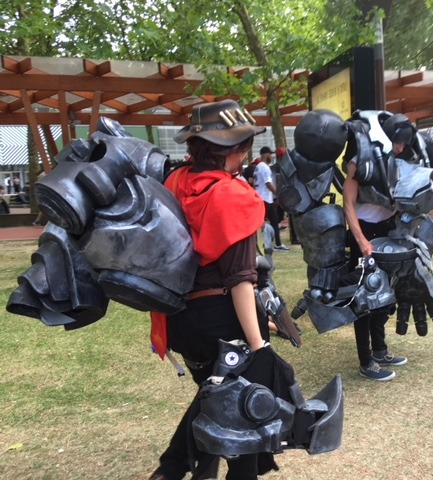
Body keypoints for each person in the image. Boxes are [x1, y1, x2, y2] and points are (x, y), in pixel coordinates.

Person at [149, 100, 274, 480]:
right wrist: (259, 346)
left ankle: (172, 470)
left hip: (179, 319)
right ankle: (175, 469)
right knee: (243, 417)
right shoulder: (235, 195)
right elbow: (239, 279)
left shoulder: (174, 182)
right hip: (223, 322)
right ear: (237, 148)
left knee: (211, 396)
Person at [342, 115, 411, 381]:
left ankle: (380, 350)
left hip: (387, 230)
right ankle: (366, 361)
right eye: (397, 142)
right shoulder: (360, 161)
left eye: (404, 143)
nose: (400, 148)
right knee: (364, 298)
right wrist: (360, 239)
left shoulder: (397, 162)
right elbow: (348, 203)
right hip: (365, 231)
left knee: (385, 295)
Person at [253, 146, 289, 251]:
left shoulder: (258, 166)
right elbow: (268, 183)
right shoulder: (264, 167)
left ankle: (276, 244)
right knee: (265, 223)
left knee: (273, 221)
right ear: (265, 154)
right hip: (265, 199)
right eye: (270, 154)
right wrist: (278, 194)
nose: (271, 156)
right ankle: (266, 244)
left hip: (263, 198)